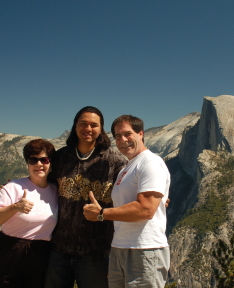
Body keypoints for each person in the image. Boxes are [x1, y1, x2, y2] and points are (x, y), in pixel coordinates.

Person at [83, 115, 171, 288]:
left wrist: (102, 214)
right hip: (120, 248)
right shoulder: (127, 167)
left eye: (127, 134)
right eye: (117, 136)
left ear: (140, 134)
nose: (122, 140)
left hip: (145, 249)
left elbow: (146, 209)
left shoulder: (151, 162)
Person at [44, 106, 127, 288]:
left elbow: (130, 191)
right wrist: (17, 187)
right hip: (59, 249)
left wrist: (159, 199)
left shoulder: (115, 161)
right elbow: (43, 185)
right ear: (75, 126)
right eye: (83, 124)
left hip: (97, 252)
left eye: (93, 125)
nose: (88, 129)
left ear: (101, 129)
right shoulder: (60, 158)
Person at [0, 139, 58, 288]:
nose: (39, 164)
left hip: (41, 254)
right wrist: (15, 207)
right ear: (28, 164)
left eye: (44, 160)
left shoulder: (56, 191)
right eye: (33, 160)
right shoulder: (14, 187)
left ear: (50, 163)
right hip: (10, 251)